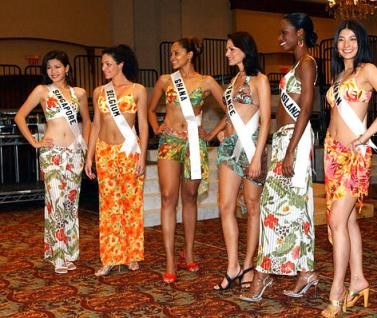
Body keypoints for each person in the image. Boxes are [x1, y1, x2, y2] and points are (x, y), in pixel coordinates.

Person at [321, 20, 377, 317]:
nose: (346, 44)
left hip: (354, 156)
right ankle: (358, 280)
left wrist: (367, 135)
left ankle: (337, 291)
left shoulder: (367, 70)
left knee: (336, 222)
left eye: (352, 39)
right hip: (333, 155)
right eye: (341, 39)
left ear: (361, 42)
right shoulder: (339, 74)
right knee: (349, 221)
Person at [240, 13, 318, 301]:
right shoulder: (297, 65)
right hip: (285, 139)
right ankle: (305, 272)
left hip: (293, 142)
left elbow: (307, 108)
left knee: (272, 208)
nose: (279, 37)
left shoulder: (308, 64)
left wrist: (289, 151)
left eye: (284, 32)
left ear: (300, 34)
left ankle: (261, 276)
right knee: (296, 208)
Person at [148, 37, 224, 283]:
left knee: (190, 197)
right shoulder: (165, 80)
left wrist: (212, 134)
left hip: (194, 142)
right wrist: (155, 126)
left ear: (190, 55)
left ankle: (188, 251)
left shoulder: (206, 82)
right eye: (171, 54)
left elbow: (230, 108)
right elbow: (151, 110)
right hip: (170, 141)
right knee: (168, 197)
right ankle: (170, 260)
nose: (172, 57)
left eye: (177, 53)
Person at [14, 50, 91, 274]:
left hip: (75, 154)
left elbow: (87, 121)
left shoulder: (79, 93)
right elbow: (20, 116)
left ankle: (68, 253)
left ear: (67, 68)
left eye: (58, 66)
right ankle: (58, 254)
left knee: (69, 204)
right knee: (56, 202)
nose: (53, 71)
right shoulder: (42, 91)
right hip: (52, 154)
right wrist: (35, 143)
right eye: (49, 67)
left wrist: (84, 145)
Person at [210, 31, 271, 291]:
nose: (227, 53)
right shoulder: (233, 80)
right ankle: (232, 264)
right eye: (227, 49)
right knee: (225, 206)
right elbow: (230, 116)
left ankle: (249, 265)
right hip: (229, 148)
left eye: (231, 49)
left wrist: (257, 155)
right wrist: (220, 132)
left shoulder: (260, 80)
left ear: (245, 50)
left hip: (252, 146)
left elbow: (267, 119)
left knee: (252, 206)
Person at [84, 44, 148, 276]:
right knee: (108, 205)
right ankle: (110, 256)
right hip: (104, 150)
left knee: (131, 204)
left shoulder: (137, 89)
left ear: (121, 64)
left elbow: (143, 124)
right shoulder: (99, 91)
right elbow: (95, 125)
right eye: (103, 64)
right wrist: (89, 156)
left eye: (108, 64)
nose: (104, 68)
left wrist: (142, 155)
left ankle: (132, 254)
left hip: (128, 150)